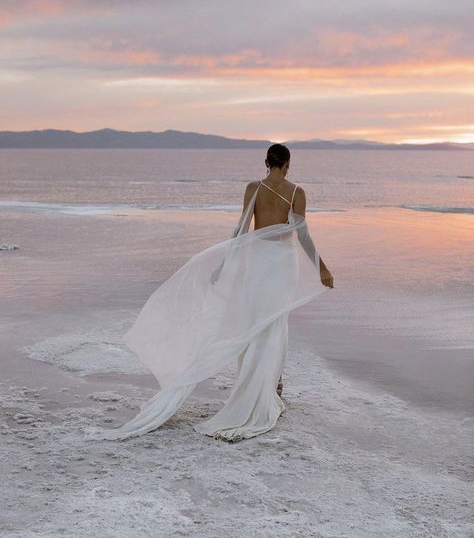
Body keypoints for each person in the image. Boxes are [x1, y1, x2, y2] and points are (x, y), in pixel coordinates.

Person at [85, 144, 334, 443]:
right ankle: (269, 388)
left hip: (256, 263)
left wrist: (225, 265)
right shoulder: (297, 193)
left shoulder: (253, 188)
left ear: (266, 162)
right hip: (282, 265)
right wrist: (322, 268)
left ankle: (261, 387)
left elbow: (241, 232)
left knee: (251, 323)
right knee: (273, 324)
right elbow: (303, 236)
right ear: (288, 164)